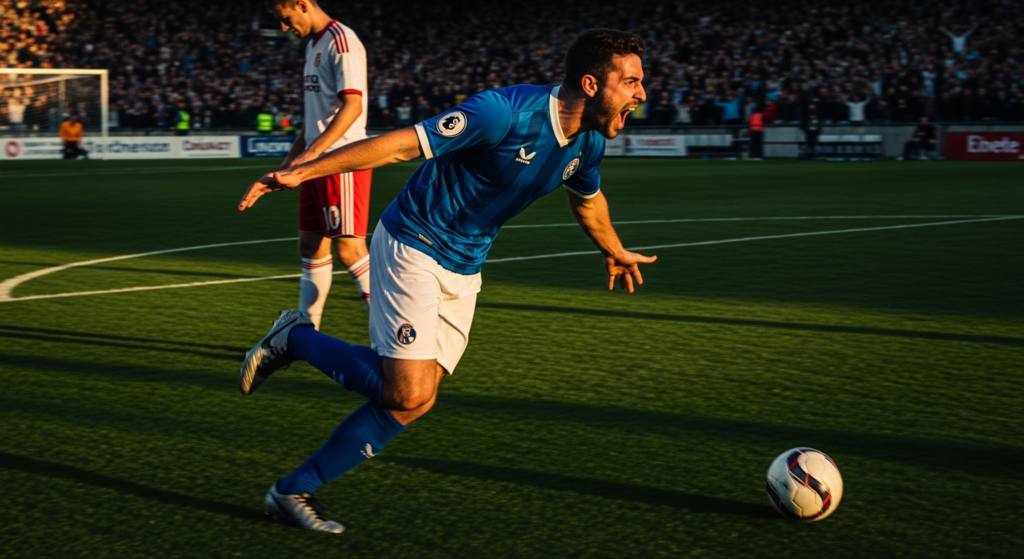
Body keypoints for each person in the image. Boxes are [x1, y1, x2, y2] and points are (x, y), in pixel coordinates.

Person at [236, 28, 655, 533]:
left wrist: (612, 249)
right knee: (407, 394)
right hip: (413, 241)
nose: (641, 94)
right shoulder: (504, 112)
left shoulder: (588, 142)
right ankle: (296, 339)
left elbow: (587, 200)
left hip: (466, 265)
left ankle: (289, 491)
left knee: (417, 401)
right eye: (630, 82)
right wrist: (305, 171)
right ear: (590, 84)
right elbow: (400, 147)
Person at [269, 0, 373, 328]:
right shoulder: (314, 44)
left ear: (302, 5)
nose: (284, 28)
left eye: (286, 19)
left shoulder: (342, 42)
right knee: (310, 244)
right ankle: (305, 331)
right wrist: (291, 162)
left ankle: (392, 335)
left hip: (341, 159)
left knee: (350, 251)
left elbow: (352, 107)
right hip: (316, 163)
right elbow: (313, 117)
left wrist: (313, 155)